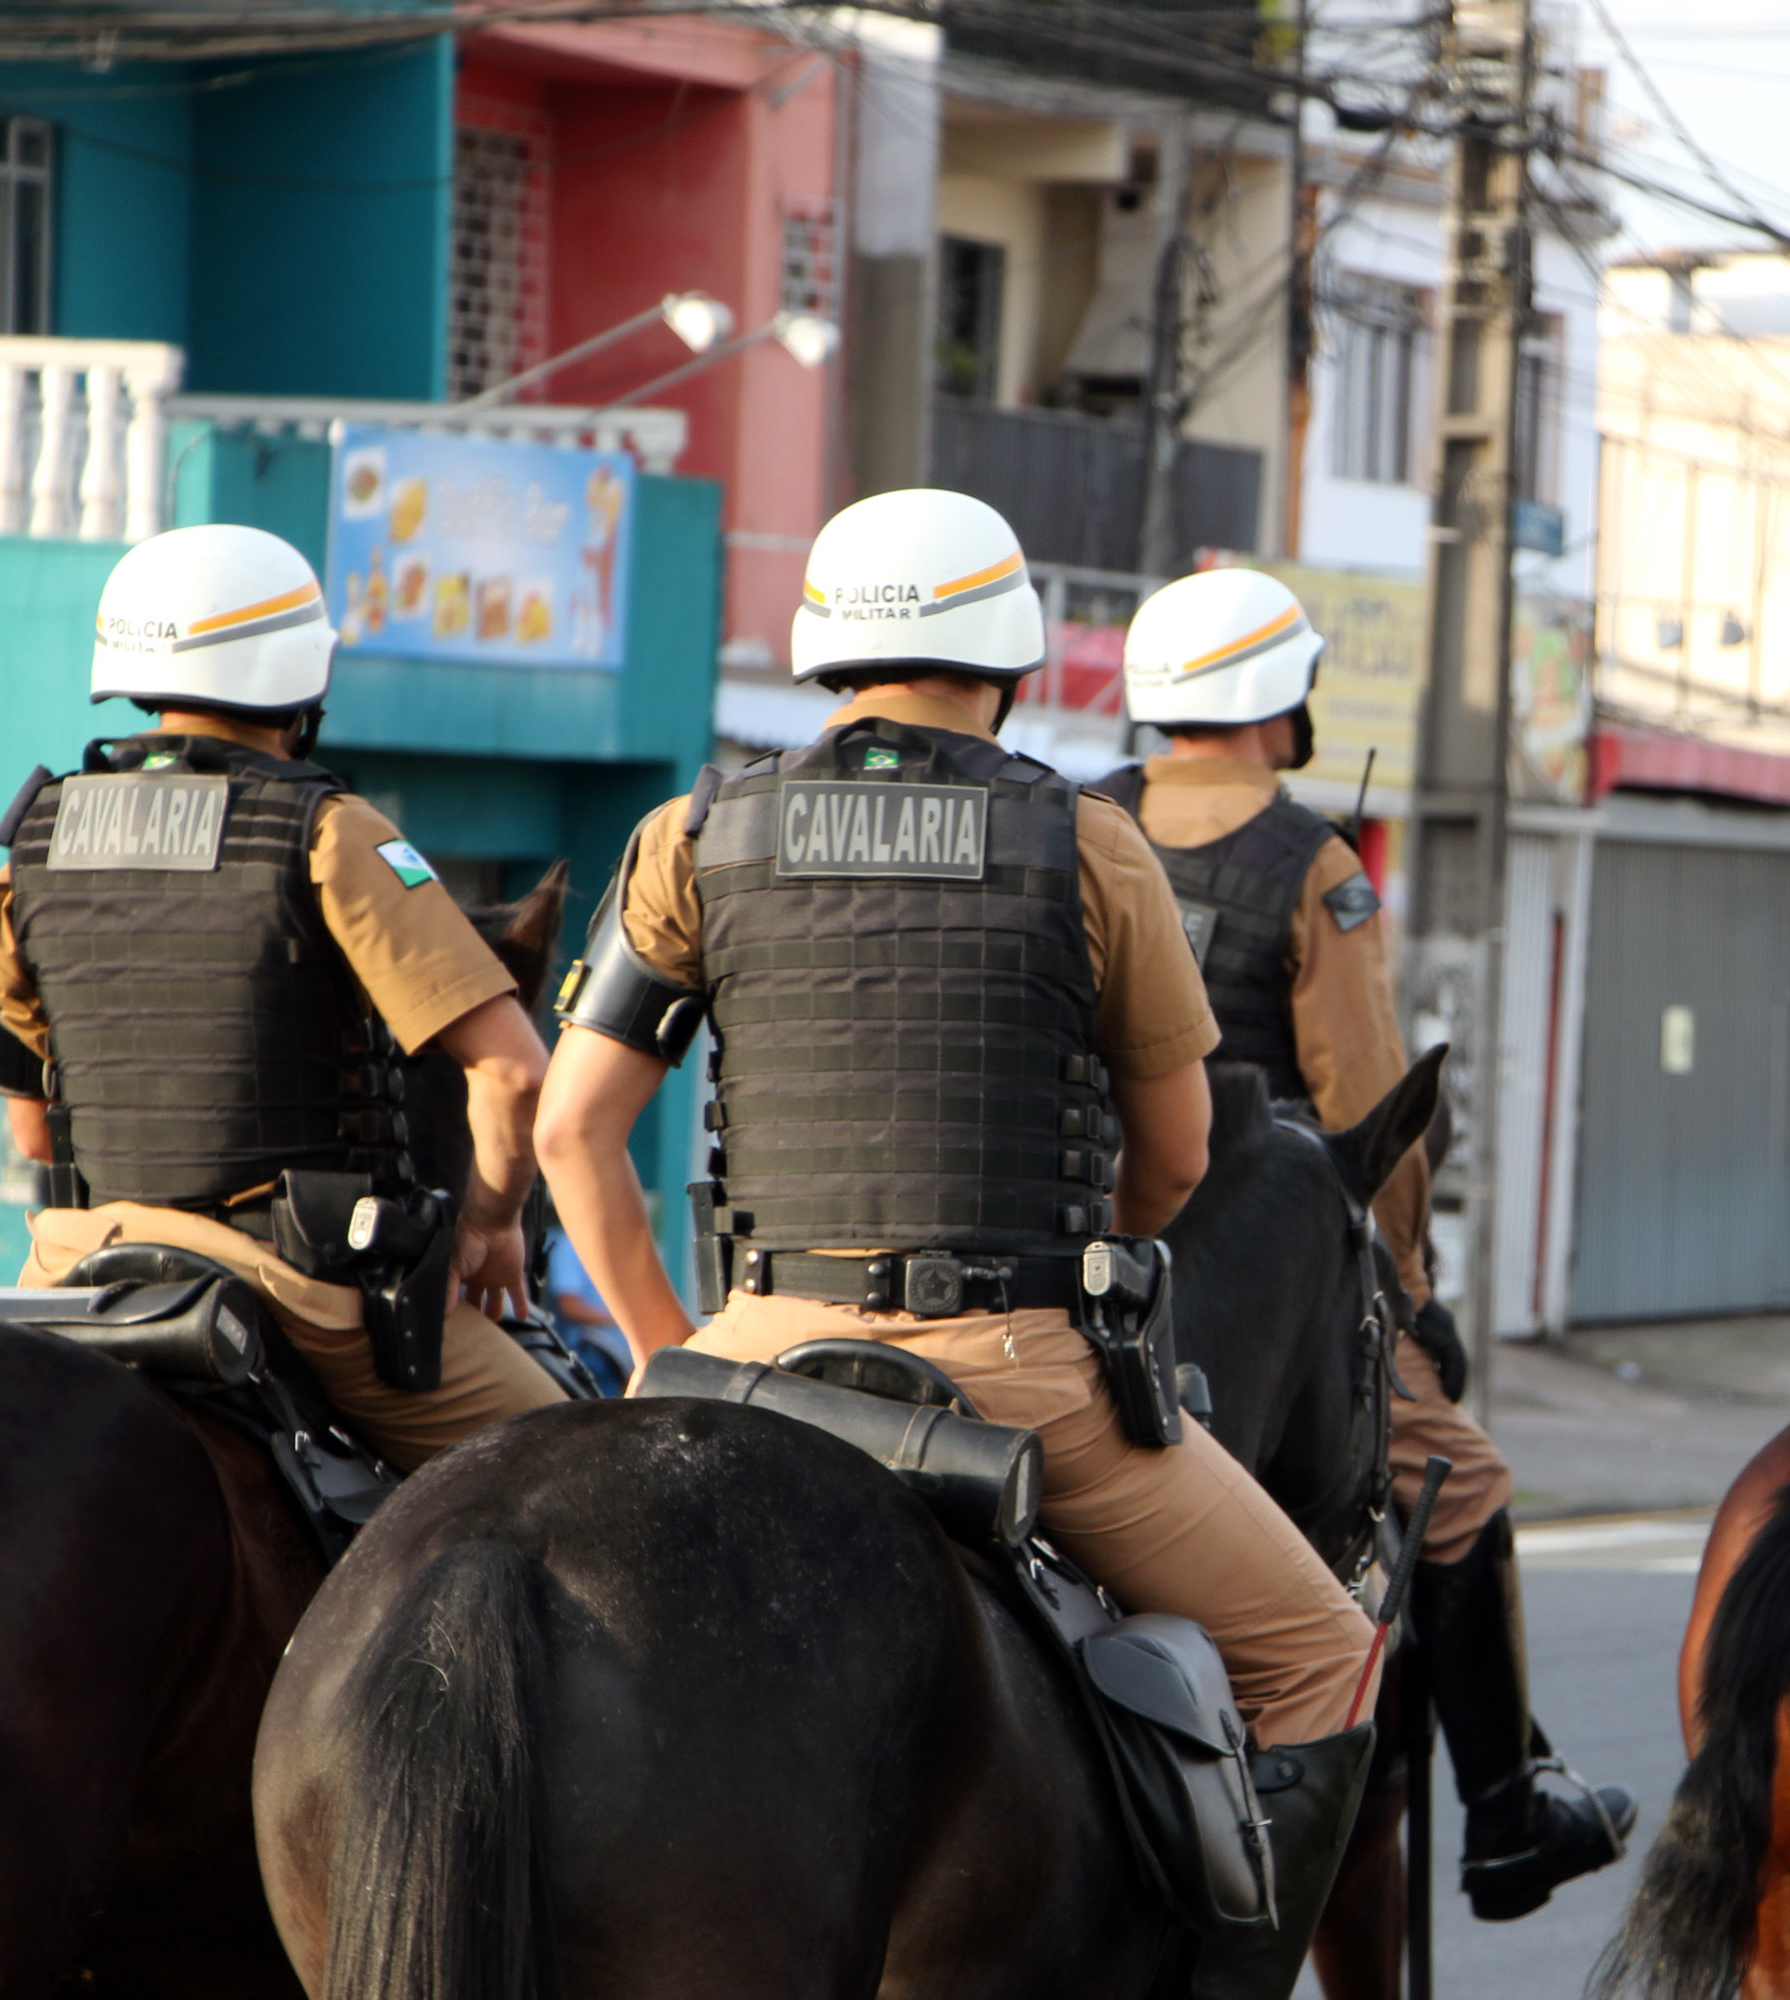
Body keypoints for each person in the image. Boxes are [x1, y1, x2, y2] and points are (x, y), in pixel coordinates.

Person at [531, 490, 1376, 2000]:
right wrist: (1084, 1285)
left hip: (749, 1354)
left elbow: (568, 1130)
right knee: (1324, 1654)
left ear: (826, 654)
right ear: (1005, 653)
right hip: (1010, 1364)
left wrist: (667, 1350)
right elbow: (1180, 1153)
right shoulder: (1086, 843)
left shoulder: (696, 832)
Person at [1091, 566, 1636, 1921]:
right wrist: (1407, 1292)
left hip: (1075, 1244)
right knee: (1462, 1476)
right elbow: (1370, 1110)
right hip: (1260, 1258)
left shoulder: (1080, 825)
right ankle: (1510, 1814)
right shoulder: (1311, 865)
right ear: (1280, 701)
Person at [0, 523, 570, 1469]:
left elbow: (32, 1134)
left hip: (73, 1266)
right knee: (577, 1474)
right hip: (299, 1286)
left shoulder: (34, 841)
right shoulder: (331, 833)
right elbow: (512, 1072)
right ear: (300, 677)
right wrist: (488, 1231)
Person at [542, 1225, 635, 1395]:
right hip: (591, 1355)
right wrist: (623, 1319)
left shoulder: (613, 1243)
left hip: (617, 1361)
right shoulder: (570, 1245)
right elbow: (569, 1306)